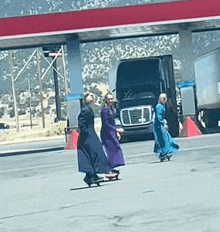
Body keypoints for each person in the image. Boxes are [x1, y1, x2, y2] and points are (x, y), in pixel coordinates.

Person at [77, 93, 113, 186]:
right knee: (93, 154)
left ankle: (93, 175)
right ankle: (91, 175)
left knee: (95, 154)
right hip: (87, 137)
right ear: (91, 101)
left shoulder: (89, 110)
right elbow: (81, 124)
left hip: (91, 135)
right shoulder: (85, 111)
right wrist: (86, 134)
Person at [100, 93, 125, 174]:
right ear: (105, 100)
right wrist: (116, 130)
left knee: (116, 148)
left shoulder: (112, 109)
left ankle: (112, 166)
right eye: (109, 99)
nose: (111, 101)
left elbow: (113, 121)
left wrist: (116, 132)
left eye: (112, 99)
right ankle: (109, 167)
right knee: (111, 149)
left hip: (112, 131)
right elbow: (106, 123)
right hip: (106, 133)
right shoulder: (105, 110)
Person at [153, 93, 179, 162]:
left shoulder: (162, 106)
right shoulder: (159, 106)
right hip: (159, 125)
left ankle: (165, 152)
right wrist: (163, 123)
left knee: (165, 138)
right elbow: (159, 117)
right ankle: (164, 152)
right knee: (164, 138)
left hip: (160, 124)